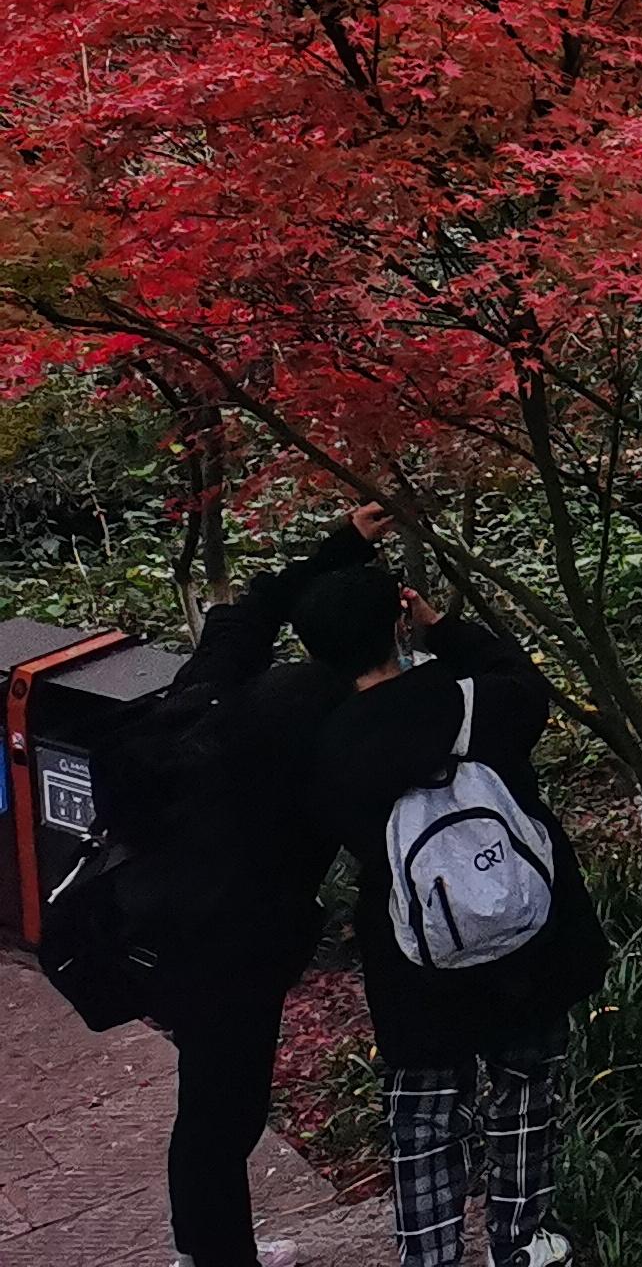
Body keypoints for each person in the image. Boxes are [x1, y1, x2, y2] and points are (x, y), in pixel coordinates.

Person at [304, 568, 608, 1267]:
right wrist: (444, 630)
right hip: (525, 943)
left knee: (424, 1120)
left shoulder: (328, 749)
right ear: (397, 625)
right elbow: (525, 681)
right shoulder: (471, 702)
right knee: (526, 1096)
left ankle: (430, 1254)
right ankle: (522, 1242)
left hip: (416, 961)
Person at [134, 502, 393, 1267]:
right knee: (223, 1106)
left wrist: (339, 545)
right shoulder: (325, 745)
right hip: (229, 940)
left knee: (212, 1100)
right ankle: (213, 1255)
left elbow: (253, 611)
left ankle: (213, 1245)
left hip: (166, 911)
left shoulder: (217, 690)